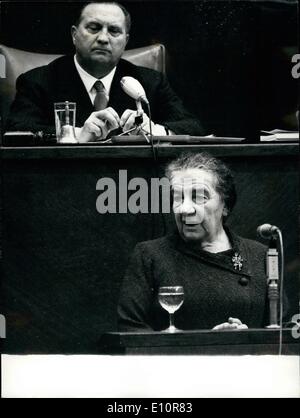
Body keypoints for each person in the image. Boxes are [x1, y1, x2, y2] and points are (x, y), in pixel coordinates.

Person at [5, 1, 204, 141]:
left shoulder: (150, 82)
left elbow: (193, 128)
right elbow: (15, 133)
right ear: (74, 35)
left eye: (114, 31)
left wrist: (155, 130)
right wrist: (74, 135)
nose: (103, 38)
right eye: (94, 28)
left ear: (125, 40)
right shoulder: (38, 81)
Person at [118, 152, 269, 331]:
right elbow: (130, 329)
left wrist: (243, 339)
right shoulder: (150, 255)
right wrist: (204, 343)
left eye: (199, 197)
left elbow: (280, 333)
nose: (185, 209)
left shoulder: (259, 255)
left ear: (225, 205)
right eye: (178, 198)